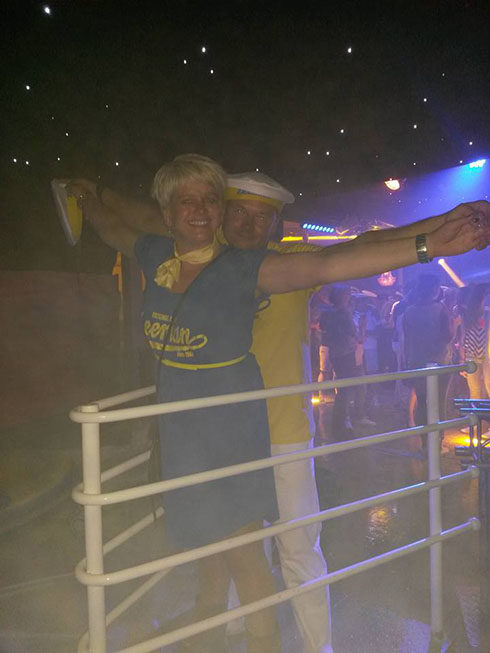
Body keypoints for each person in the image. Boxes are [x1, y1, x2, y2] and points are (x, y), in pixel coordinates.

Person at [68, 158, 490, 653]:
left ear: (275, 223)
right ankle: (228, 630)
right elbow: (138, 221)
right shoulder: (186, 253)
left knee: (294, 549)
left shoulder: (276, 264)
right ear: (222, 214)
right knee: (227, 547)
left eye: (261, 216)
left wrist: (439, 230)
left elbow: (357, 250)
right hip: (210, 437)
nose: (248, 224)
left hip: (282, 431)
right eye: (238, 212)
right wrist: (92, 194)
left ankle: (314, 646)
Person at [402, 274, 453, 443]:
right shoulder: (441, 309)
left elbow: (407, 340)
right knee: (438, 401)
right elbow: (448, 336)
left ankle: (425, 441)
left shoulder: (409, 311)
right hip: (439, 361)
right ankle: (437, 441)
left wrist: (407, 363)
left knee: (422, 402)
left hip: (417, 361)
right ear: (434, 289)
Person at [457, 284, 490, 435]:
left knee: (487, 389)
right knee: (475, 391)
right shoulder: (469, 313)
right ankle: (474, 423)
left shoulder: (485, 312)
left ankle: (481, 425)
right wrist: (462, 359)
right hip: (473, 355)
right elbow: (463, 336)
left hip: (486, 355)